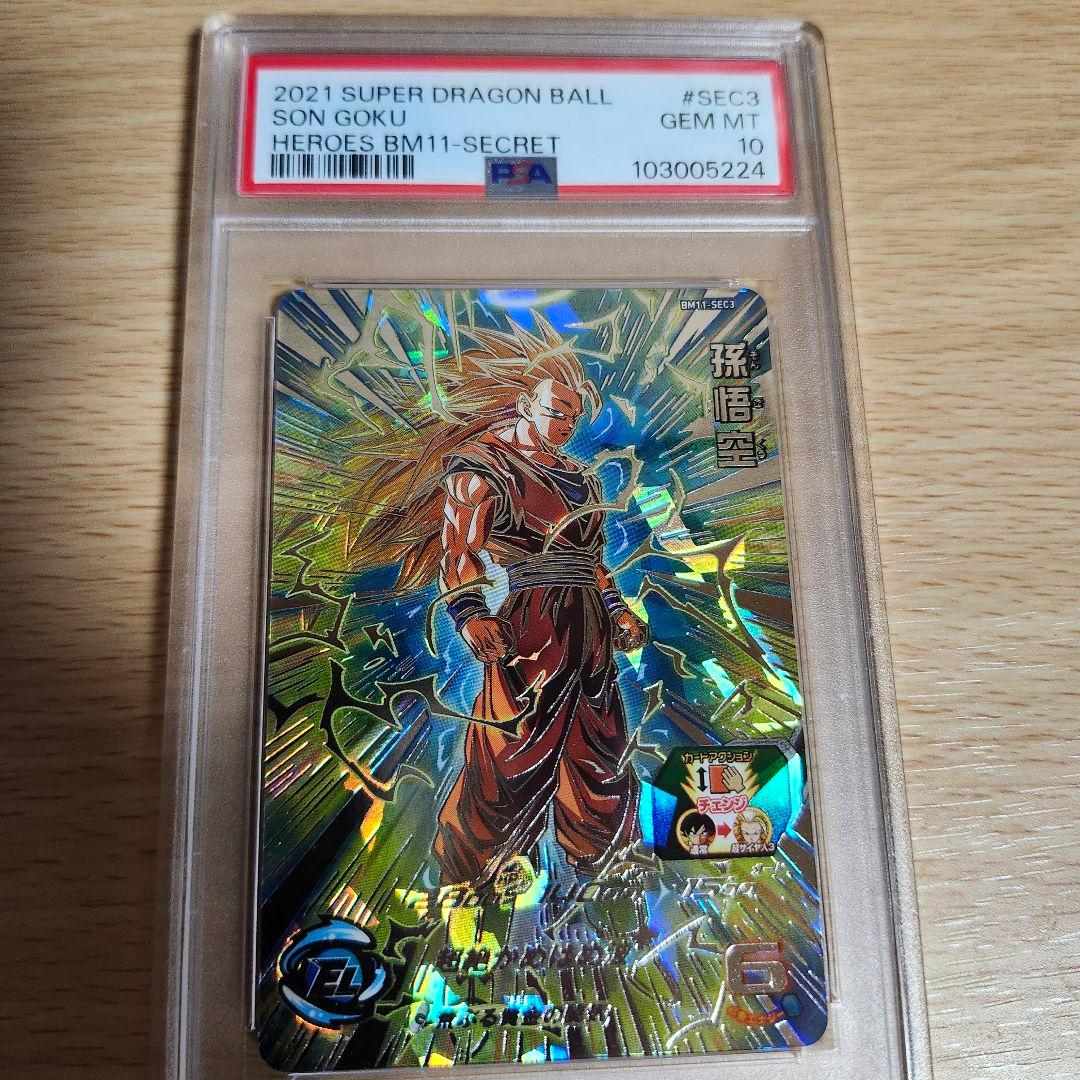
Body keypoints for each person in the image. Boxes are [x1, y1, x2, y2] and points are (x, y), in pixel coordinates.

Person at [342, 315, 647, 894]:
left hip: (590, 631)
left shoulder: (581, 478)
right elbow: (458, 552)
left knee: (600, 747)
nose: (566, 426)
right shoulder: (482, 468)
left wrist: (617, 608)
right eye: (556, 412)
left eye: (574, 417)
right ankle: (468, 875)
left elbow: (592, 561)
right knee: (510, 750)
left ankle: (600, 866)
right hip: (530, 624)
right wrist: (470, 614)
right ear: (525, 404)